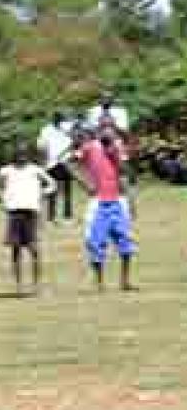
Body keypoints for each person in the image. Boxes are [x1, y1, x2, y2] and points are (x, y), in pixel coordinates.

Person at [69, 125, 137, 292]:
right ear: (98, 131)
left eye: (110, 129)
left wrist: (131, 200)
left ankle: (125, 281)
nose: (108, 132)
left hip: (118, 200)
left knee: (125, 242)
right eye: (104, 128)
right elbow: (69, 163)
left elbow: (124, 174)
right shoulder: (90, 147)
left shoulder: (118, 148)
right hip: (98, 202)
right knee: (96, 242)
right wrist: (84, 183)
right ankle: (99, 283)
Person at [0, 143, 57, 296]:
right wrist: (3, 197)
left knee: (34, 249)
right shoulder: (5, 171)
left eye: (24, 154)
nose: (21, 156)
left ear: (28, 155)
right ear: (14, 154)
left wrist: (42, 193)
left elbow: (52, 184)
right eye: (19, 153)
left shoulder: (35, 170)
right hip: (14, 212)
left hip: (31, 212)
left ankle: (37, 285)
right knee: (16, 250)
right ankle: (19, 286)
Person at [36, 111, 76, 223]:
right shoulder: (46, 130)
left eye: (61, 119)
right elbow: (41, 146)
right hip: (51, 163)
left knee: (67, 190)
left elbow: (75, 137)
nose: (60, 122)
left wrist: (71, 152)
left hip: (66, 161)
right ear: (54, 119)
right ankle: (51, 217)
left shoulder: (67, 128)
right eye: (58, 120)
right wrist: (43, 161)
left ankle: (67, 216)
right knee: (52, 189)